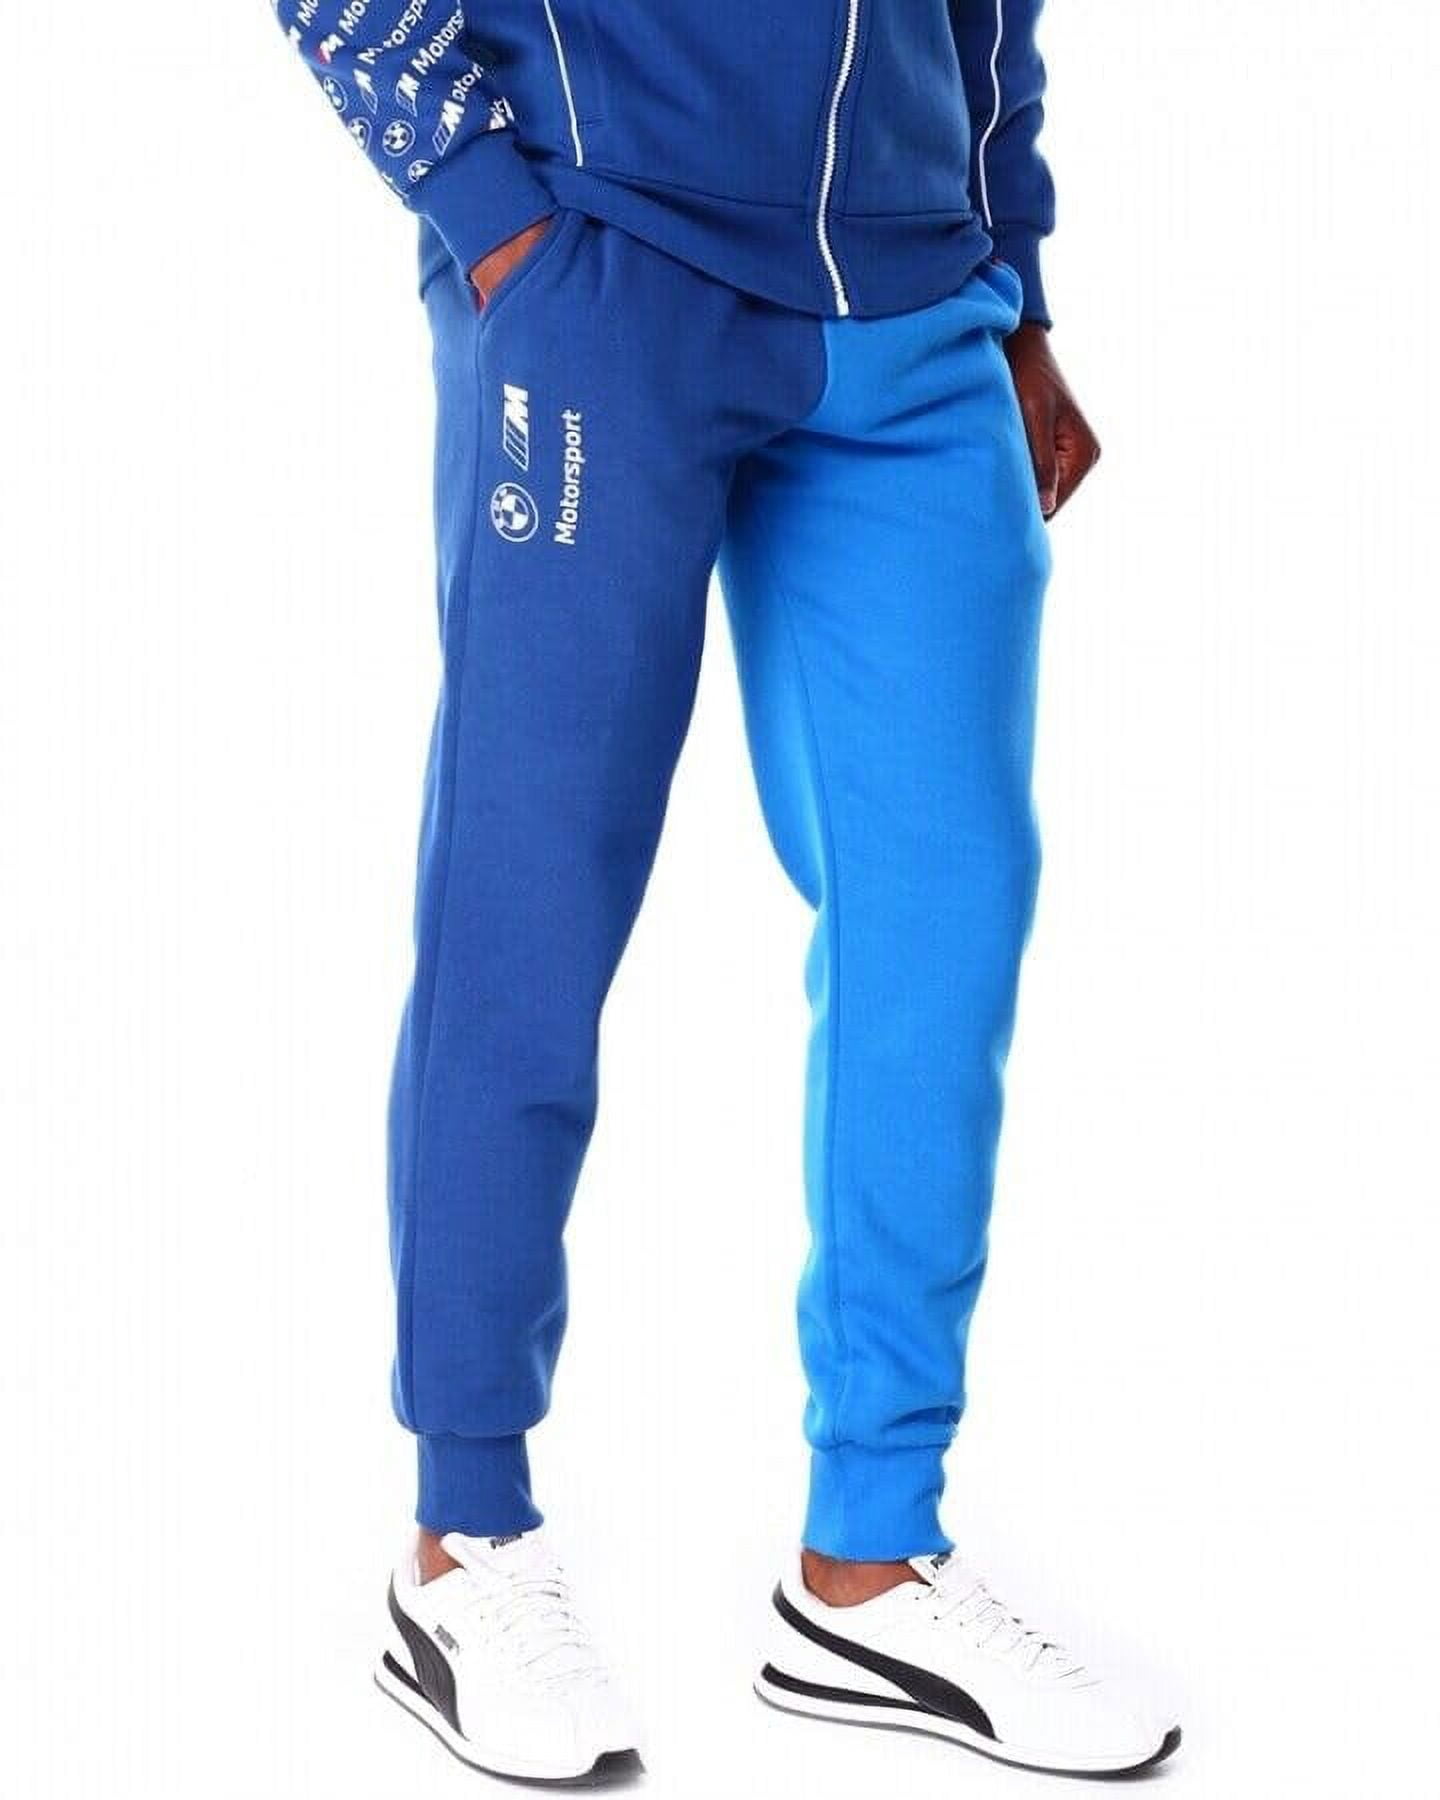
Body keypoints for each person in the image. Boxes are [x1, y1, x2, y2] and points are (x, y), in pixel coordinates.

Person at [274, 0, 1178, 1780]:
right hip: (606, 272)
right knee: (530, 902)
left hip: (917, 309)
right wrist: (493, 220)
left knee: (944, 915)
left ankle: (871, 1557)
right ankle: (464, 1533)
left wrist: (1020, 275)